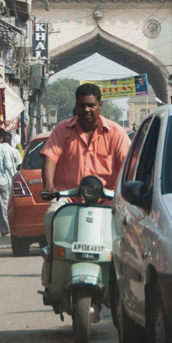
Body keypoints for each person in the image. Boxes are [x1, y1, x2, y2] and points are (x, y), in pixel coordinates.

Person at [40, 84, 131, 290]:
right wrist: (49, 186)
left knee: (124, 233)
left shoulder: (115, 132)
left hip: (106, 199)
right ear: (76, 106)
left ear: (100, 105)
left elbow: (129, 165)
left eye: (91, 105)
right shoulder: (63, 129)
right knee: (50, 218)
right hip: (69, 199)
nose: (86, 110)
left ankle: (120, 281)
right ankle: (53, 264)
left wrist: (127, 190)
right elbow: (50, 157)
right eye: (82, 105)